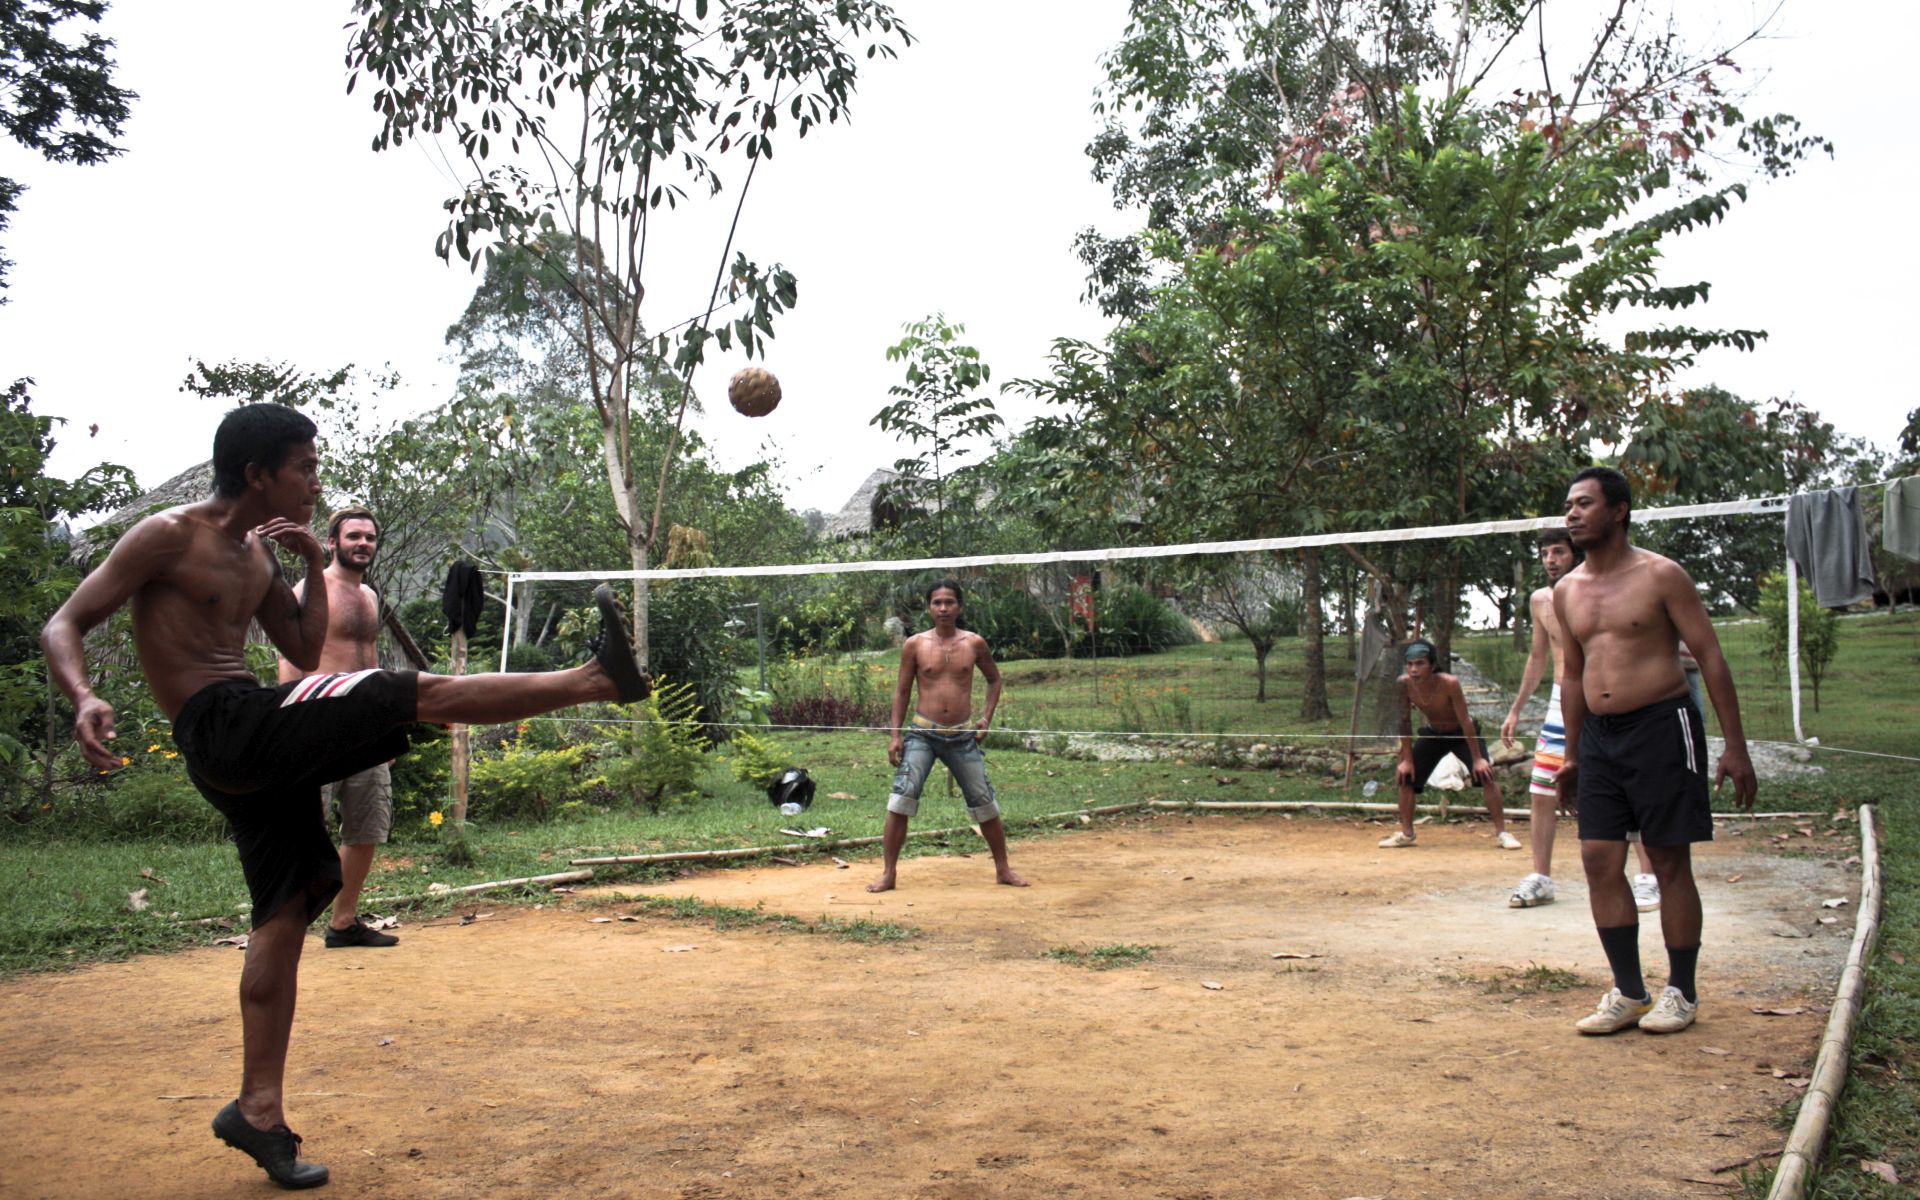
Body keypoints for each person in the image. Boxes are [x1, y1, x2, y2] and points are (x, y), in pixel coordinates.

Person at [40, 404, 651, 1190]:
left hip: (251, 747)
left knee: (285, 912)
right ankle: (595, 681)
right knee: (401, 690)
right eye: (304, 467)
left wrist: (305, 571)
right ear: (258, 473)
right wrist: (84, 695)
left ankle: (257, 1111)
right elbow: (66, 622)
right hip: (223, 724)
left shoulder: (259, 561)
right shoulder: (169, 535)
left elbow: (299, 645)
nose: (316, 481)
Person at [1553, 466, 1757, 1036]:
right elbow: (1573, 676)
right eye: (1569, 504)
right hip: (1599, 739)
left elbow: (1710, 656)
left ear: (1617, 511)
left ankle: (1681, 992)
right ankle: (1629, 991)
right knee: (1598, 860)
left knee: (1668, 860)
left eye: (1584, 503)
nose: (1571, 514)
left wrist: (1734, 747)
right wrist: (1572, 754)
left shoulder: (1661, 575)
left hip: (1663, 727)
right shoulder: (1566, 590)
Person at [1500, 530, 1662, 910]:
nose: (1551, 559)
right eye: (1544, 553)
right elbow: (1538, 658)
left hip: (1607, 699)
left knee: (1626, 788)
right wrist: (1516, 709)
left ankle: (1648, 876)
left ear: (1575, 554)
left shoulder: (1599, 592)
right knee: (1542, 789)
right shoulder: (1541, 600)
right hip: (1562, 703)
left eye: (1559, 551)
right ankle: (1541, 877)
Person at [276, 506, 398, 949]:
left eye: (369, 537)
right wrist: (294, 727)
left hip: (366, 728)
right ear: (332, 542)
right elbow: (290, 657)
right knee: (309, 831)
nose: (363, 543)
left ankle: (343, 924)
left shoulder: (369, 597)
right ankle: (284, 927)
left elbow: (371, 659)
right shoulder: (311, 589)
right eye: (353, 537)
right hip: (319, 726)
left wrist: (386, 723)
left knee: (366, 829)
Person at [867, 579, 1027, 893]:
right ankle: (889, 873)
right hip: (922, 735)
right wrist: (895, 736)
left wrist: (986, 718)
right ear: (928, 608)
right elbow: (901, 691)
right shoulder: (914, 644)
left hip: (962, 736)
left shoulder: (974, 643)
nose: (943, 608)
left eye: (949, 602)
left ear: (960, 607)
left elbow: (994, 680)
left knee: (984, 801)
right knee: (902, 797)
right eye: (937, 602)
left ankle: (1003, 868)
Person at [1378, 639, 1521, 851]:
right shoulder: (1404, 684)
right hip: (1434, 734)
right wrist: (1407, 759)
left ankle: (1503, 833)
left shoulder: (1449, 682)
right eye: (1410, 664)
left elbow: (1465, 721)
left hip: (1462, 734)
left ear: (1432, 665)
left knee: (1486, 774)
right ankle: (1407, 833)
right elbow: (1404, 721)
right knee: (1406, 776)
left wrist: (1478, 759)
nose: (1414, 669)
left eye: (1420, 664)